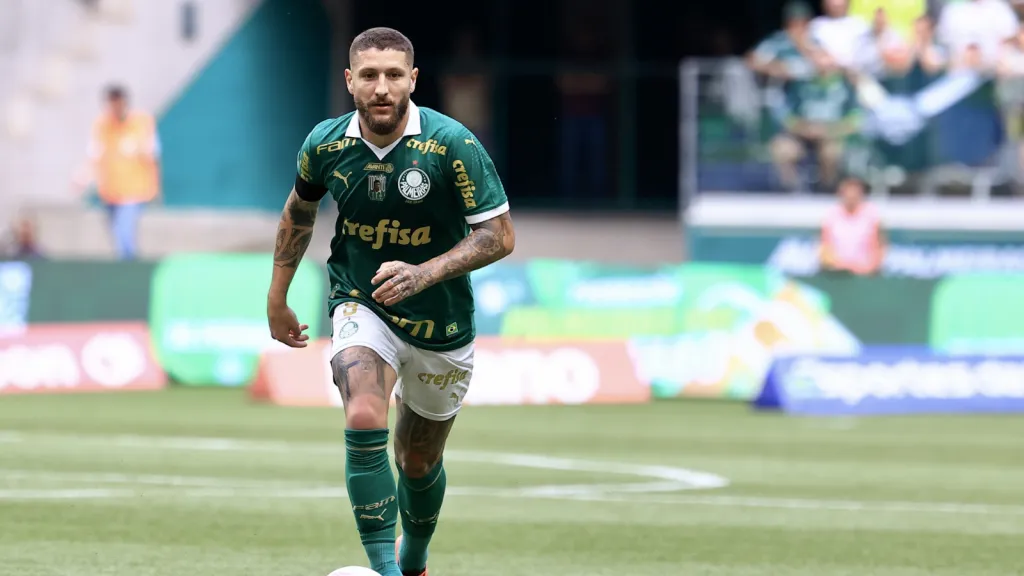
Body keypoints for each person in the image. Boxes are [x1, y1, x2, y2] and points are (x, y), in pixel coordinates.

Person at [265, 27, 515, 576]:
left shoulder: (452, 144)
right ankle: (385, 571)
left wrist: (424, 273)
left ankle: (413, 559)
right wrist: (277, 295)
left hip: (442, 321)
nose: (382, 87)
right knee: (361, 412)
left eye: (394, 75)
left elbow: (499, 236)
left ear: (413, 80)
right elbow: (299, 213)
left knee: (418, 460)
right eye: (370, 75)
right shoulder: (325, 144)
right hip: (361, 300)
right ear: (349, 80)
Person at [85, 85, 162, 260]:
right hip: (110, 192)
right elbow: (94, 155)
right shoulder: (102, 125)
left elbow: (153, 156)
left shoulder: (141, 123)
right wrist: (85, 177)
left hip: (134, 191)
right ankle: (127, 264)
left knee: (124, 235)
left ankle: (129, 268)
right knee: (116, 235)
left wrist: (156, 186)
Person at [819, 176, 886, 275]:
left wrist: (867, 268)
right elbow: (825, 246)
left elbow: (879, 246)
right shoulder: (832, 214)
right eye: (848, 194)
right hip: (838, 273)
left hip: (866, 273)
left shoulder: (871, 214)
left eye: (854, 194)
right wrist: (838, 266)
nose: (851, 197)